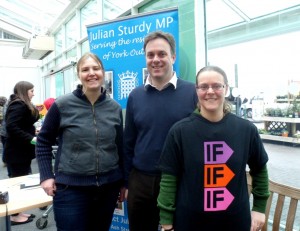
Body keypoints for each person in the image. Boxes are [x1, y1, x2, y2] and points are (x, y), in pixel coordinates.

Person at [157, 66, 270, 231]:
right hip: (190, 223)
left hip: (235, 222)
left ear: (226, 89)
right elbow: (169, 178)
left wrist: (259, 208)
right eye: (203, 86)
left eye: (217, 86)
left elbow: (259, 169)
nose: (210, 91)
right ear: (197, 90)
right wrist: (166, 219)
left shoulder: (246, 130)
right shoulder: (180, 131)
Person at [36, 52, 125, 231]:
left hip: (108, 188)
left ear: (102, 72)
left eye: (96, 68)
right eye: (85, 69)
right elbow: (43, 141)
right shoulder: (62, 105)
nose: (91, 73)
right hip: (71, 189)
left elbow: (120, 146)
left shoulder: (114, 107)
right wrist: (46, 176)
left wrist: (124, 182)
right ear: (79, 75)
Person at [123, 30, 198, 231]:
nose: (156, 59)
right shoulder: (135, 96)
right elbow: (129, 142)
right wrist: (128, 183)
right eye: (150, 55)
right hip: (141, 181)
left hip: (181, 180)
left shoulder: (193, 92)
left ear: (173, 57)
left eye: (162, 54)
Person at [4, 81, 40, 225]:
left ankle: (18, 212)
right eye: (31, 91)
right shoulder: (18, 105)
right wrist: (31, 138)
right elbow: (12, 126)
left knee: (20, 181)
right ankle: (13, 216)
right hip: (16, 153)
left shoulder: (20, 104)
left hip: (20, 152)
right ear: (24, 91)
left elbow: (22, 124)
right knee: (16, 184)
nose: (33, 93)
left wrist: (32, 131)